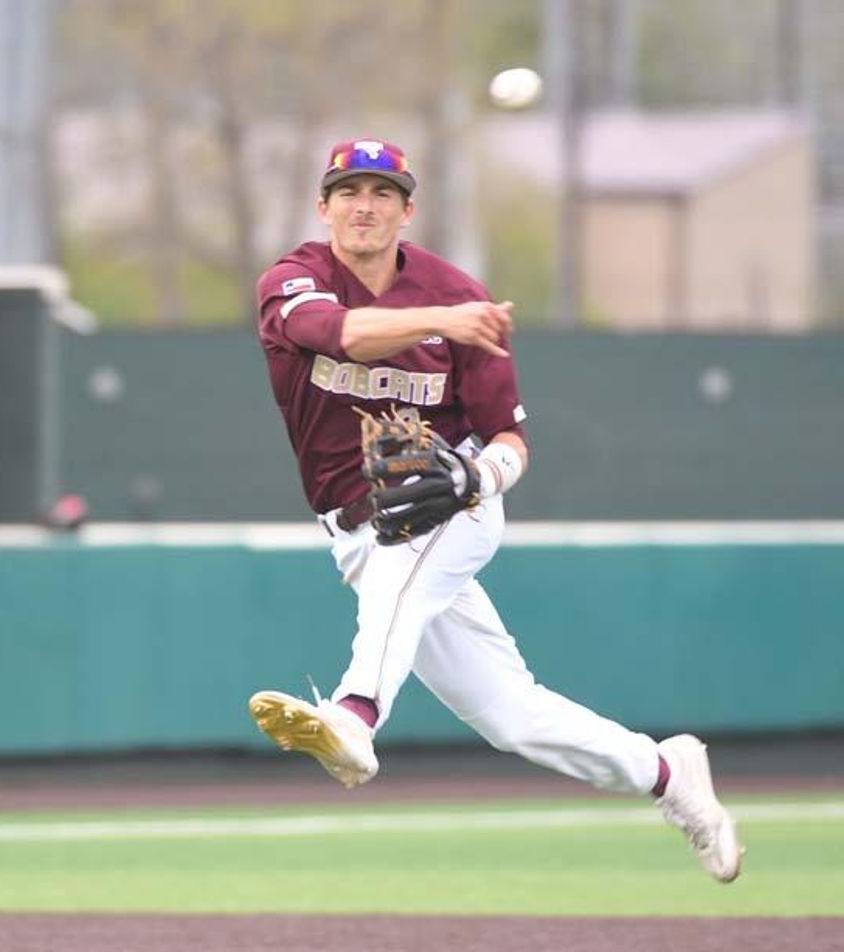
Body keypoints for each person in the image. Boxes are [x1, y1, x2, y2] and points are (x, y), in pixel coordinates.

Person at [249, 138, 743, 883]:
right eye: (349, 191)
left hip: (451, 505)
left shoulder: (456, 294)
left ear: (407, 210)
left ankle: (355, 713)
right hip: (354, 530)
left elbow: (513, 437)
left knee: (404, 551)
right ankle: (669, 775)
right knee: (512, 715)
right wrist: (446, 320)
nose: (365, 206)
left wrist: (480, 476)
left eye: (383, 193)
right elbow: (339, 334)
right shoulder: (296, 280)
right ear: (324, 206)